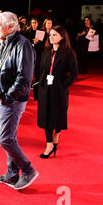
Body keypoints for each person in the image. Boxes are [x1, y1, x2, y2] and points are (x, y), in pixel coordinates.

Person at [0, 12, 38, 190]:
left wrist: (7, 97)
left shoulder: (22, 44)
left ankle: (28, 170)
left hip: (13, 100)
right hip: (5, 98)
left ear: (11, 26)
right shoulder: (6, 43)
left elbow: (24, 79)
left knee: (5, 140)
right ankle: (11, 175)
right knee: (10, 137)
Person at [37, 25, 78, 158]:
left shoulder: (68, 53)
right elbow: (42, 69)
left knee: (58, 115)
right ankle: (49, 145)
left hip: (59, 90)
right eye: (51, 35)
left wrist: (63, 85)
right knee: (46, 116)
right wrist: (40, 84)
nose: (51, 37)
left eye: (55, 35)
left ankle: (56, 136)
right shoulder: (46, 51)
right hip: (45, 89)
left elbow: (74, 73)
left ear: (62, 36)